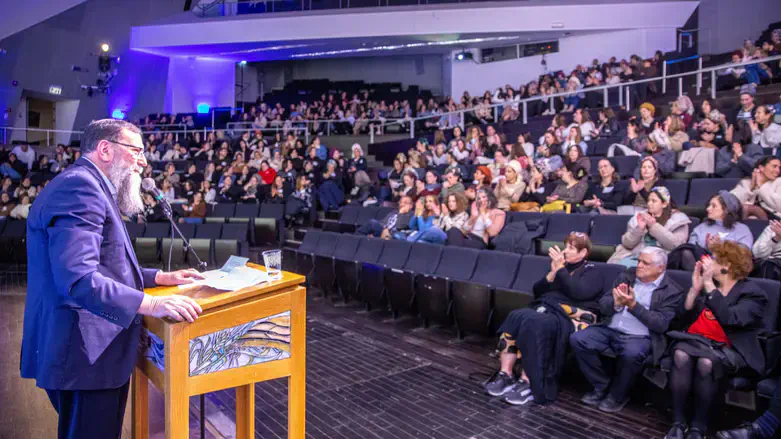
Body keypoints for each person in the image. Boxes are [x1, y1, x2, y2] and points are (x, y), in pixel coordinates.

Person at [21, 119, 205, 438]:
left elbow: (102, 266)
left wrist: (158, 277)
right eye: (136, 151)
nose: (143, 162)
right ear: (105, 149)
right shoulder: (81, 189)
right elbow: (79, 278)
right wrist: (152, 304)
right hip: (84, 355)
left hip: (83, 354)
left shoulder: (86, 185)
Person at [484, 233, 604, 405]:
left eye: (571, 248)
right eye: (565, 246)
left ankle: (529, 381)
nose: (565, 251)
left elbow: (578, 293)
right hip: (547, 310)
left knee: (535, 323)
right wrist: (552, 273)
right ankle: (506, 374)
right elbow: (537, 291)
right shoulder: (561, 268)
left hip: (567, 317)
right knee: (515, 315)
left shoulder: (593, 271)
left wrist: (560, 269)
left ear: (583, 252)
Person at [665, 242, 767, 439]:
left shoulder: (753, 293)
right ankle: (678, 422)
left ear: (727, 265)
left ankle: (698, 426)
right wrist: (694, 289)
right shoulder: (707, 286)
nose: (708, 262)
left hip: (729, 348)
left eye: (713, 259)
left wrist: (709, 287)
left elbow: (732, 319)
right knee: (680, 354)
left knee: (706, 362)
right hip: (696, 340)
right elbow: (680, 318)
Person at [570, 247, 684, 413]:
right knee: (578, 339)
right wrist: (616, 304)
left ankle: (617, 396)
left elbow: (660, 324)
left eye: (646, 263)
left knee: (632, 353)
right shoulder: (627, 276)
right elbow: (603, 304)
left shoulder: (672, 291)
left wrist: (633, 306)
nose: (639, 265)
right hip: (610, 328)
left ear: (660, 268)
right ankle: (602, 385)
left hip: (640, 336)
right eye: (639, 261)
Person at [609, 187, 691, 267]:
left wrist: (654, 226)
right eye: (648, 200)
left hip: (659, 260)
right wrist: (639, 229)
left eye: (653, 201)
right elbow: (627, 244)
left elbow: (676, 245)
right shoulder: (639, 216)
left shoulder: (678, 220)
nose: (649, 204)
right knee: (620, 265)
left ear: (664, 204)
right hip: (635, 256)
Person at [730, 156, 781, 220]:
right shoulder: (746, 182)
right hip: (749, 218)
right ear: (761, 168)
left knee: (747, 209)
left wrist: (761, 185)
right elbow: (730, 201)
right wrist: (751, 187)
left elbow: (779, 206)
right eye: (774, 166)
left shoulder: (779, 182)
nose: (778, 170)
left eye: (779, 168)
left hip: (773, 219)